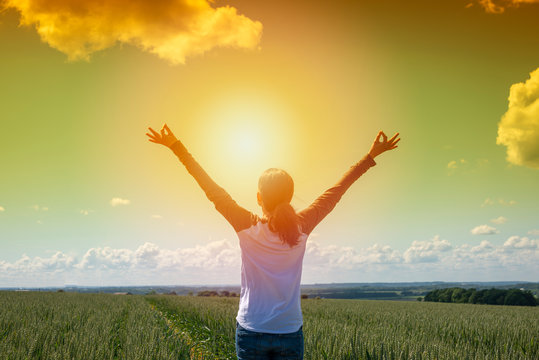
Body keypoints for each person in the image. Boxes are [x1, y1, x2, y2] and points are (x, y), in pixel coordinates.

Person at [146, 124, 400, 360]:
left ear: (259, 197)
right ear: (289, 196)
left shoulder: (246, 225)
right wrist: (370, 156)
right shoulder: (302, 226)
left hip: (251, 329)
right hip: (289, 331)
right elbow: (336, 191)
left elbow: (210, 188)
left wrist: (176, 146)